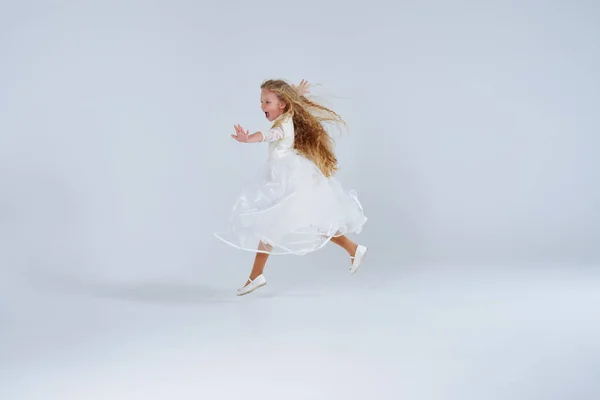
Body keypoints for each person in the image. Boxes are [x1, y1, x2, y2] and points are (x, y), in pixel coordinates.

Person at [214, 79, 368, 295]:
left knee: (274, 226)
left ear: (282, 105)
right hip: (287, 179)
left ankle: (256, 275)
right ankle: (353, 249)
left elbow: (267, 135)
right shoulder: (286, 115)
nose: (262, 106)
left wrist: (248, 138)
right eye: (261, 101)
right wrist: (295, 92)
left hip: (290, 182)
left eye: (266, 102)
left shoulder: (281, 126)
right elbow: (283, 106)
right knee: (304, 224)